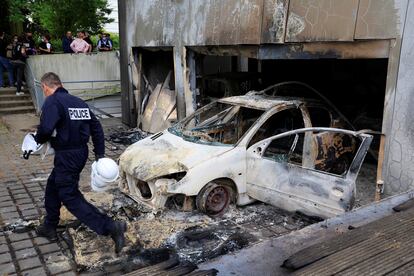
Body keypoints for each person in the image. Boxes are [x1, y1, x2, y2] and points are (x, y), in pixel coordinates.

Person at [34, 72, 127, 253]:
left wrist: (36, 139)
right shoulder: (78, 102)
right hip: (80, 152)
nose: (44, 93)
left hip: (67, 155)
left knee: (69, 195)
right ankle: (49, 225)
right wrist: (99, 153)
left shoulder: (53, 101)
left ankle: (110, 227)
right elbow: (97, 127)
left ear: (45, 87)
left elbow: (45, 129)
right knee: (53, 185)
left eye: (43, 90)